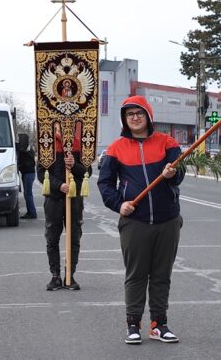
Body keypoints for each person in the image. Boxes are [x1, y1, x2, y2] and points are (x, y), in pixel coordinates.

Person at [97, 95, 183, 345]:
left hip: (167, 221)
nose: (135, 117)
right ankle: (133, 324)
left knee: (161, 275)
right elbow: (105, 183)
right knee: (136, 275)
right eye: (129, 114)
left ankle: (159, 324)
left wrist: (171, 173)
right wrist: (118, 204)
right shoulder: (116, 149)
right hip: (135, 222)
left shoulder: (167, 143)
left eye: (139, 113)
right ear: (125, 119)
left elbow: (179, 176)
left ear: (148, 115)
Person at [37, 149, 89, 291]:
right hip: (54, 199)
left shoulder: (80, 144)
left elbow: (87, 171)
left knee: (74, 238)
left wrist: (74, 165)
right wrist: (59, 185)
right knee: (52, 238)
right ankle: (55, 276)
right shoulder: (46, 143)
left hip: (74, 199)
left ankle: (69, 275)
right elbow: (41, 173)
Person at [16, 133, 37, 219]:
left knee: (28, 194)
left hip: (28, 174)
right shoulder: (28, 148)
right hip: (28, 174)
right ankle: (31, 212)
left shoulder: (25, 150)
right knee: (27, 194)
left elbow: (20, 150)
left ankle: (32, 213)